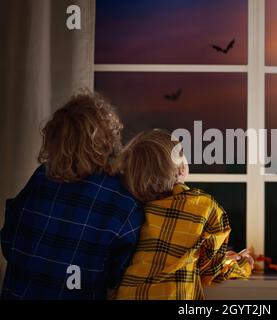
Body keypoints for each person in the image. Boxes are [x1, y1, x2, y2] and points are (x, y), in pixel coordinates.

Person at [1, 92, 144, 300]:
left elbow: (8, 241)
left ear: (55, 138)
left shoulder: (43, 176)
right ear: (108, 139)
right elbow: (120, 279)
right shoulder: (122, 201)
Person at [114, 130, 253, 300]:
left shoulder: (133, 207)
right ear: (180, 169)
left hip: (129, 294)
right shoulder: (204, 206)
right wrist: (241, 265)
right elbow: (211, 271)